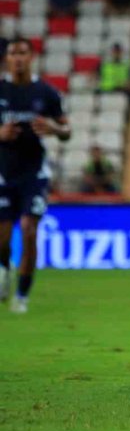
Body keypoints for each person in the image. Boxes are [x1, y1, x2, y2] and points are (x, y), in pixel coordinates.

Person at [0, 38, 71, 313]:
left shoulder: (47, 93)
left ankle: (22, 296)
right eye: (13, 53)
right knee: (3, 240)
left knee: (29, 231)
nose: (18, 58)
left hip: (34, 174)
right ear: (7, 58)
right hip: (4, 174)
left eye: (23, 53)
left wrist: (53, 128)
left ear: (32, 57)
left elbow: (67, 132)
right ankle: (4, 272)